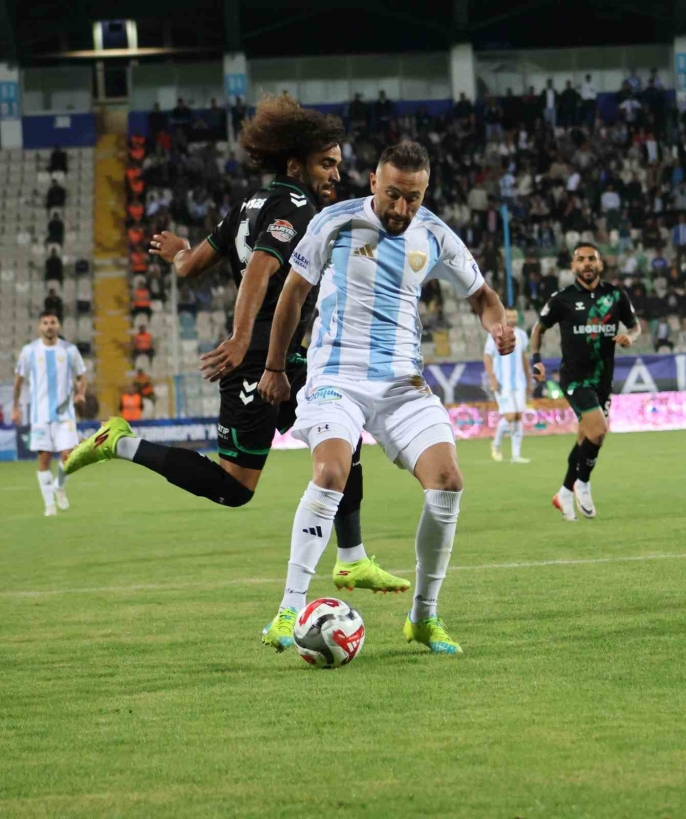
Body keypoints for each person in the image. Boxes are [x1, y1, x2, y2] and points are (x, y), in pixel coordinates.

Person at [65, 94, 408, 627]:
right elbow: (261, 271)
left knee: (343, 436)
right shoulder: (295, 207)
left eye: (337, 164)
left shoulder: (248, 205)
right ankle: (121, 442)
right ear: (295, 163)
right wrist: (242, 340)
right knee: (234, 488)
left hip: (287, 358)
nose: (335, 175)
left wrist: (178, 251)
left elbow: (189, 266)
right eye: (326, 163)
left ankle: (351, 557)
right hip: (258, 363)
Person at [258, 141, 515, 656]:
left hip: (401, 384)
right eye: (393, 194)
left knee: (448, 482)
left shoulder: (435, 234)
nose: (401, 208)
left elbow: (483, 297)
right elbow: (293, 293)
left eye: (413, 198)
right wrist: (275, 367)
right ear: (374, 182)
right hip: (336, 376)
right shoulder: (335, 221)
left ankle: (423, 617)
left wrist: (498, 326)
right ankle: (288, 610)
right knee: (331, 471)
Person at [530, 243, 641, 522]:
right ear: (573, 266)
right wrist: (537, 359)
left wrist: (630, 337)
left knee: (586, 437)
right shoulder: (562, 299)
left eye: (592, 259)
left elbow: (635, 326)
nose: (587, 263)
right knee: (599, 430)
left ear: (600, 264)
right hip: (574, 378)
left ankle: (564, 493)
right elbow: (538, 328)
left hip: (603, 379)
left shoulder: (616, 295)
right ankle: (583, 483)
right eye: (581, 259)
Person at [12, 312, 87, 517]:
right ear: (39, 327)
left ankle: (59, 486)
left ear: (58, 325)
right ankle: (49, 506)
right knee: (44, 460)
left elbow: (82, 376)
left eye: (53, 322)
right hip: (40, 416)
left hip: (65, 414)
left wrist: (80, 393)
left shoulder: (69, 350)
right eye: (45, 323)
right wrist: (15, 407)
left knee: (69, 457)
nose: (49, 326)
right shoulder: (29, 351)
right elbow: (18, 381)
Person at [484, 308, 532, 464]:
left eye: (514, 315)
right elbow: (487, 357)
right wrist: (492, 379)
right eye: (509, 315)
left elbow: (524, 358)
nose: (512, 318)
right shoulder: (495, 333)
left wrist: (529, 381)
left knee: (518, 417)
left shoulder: (522, 335)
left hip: (519, 382)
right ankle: (496, 444)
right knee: (510, 416)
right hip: (502, 383)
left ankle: (516, 455)